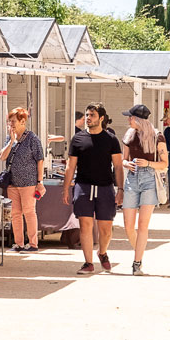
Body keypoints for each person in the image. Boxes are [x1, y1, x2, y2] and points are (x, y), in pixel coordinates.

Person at [62, 103, 123, 274]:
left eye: (92, 115)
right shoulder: (78, 139)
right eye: (87, 115)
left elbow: (118, 166)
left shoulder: (111, 139)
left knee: (106, 229)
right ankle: (88, 263)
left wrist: (120, 190)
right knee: (85, 225)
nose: (88, 118)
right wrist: (66, 188)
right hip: (83, 186)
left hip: (105, 187)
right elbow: (70, 166)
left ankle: (102, 252)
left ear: (101, 118)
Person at [121, 104, 167, 276]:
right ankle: (139, 250)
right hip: (132, 178)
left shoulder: (157, 137)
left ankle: (137, 262)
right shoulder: (129, 135)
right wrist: (128, 164)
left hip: (149, 178)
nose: (128, 120)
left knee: (142, 224)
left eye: (130, 117)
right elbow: (123, 159)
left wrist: (147, 164)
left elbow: (164, 164)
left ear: (138, 119)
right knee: (128, 225)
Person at [0, 107, 45, 252]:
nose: (10, 125)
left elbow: (40, 160)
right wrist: (11, 141)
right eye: (9, 122)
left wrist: (39, 182)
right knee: (15, 214)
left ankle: (33, 244)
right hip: (12, 182)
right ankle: (18, 243)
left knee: (29, 212)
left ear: (22, 121)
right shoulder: (10, 138)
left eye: (13, 122)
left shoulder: (33, 139)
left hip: (29, 183)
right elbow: (2, 156)